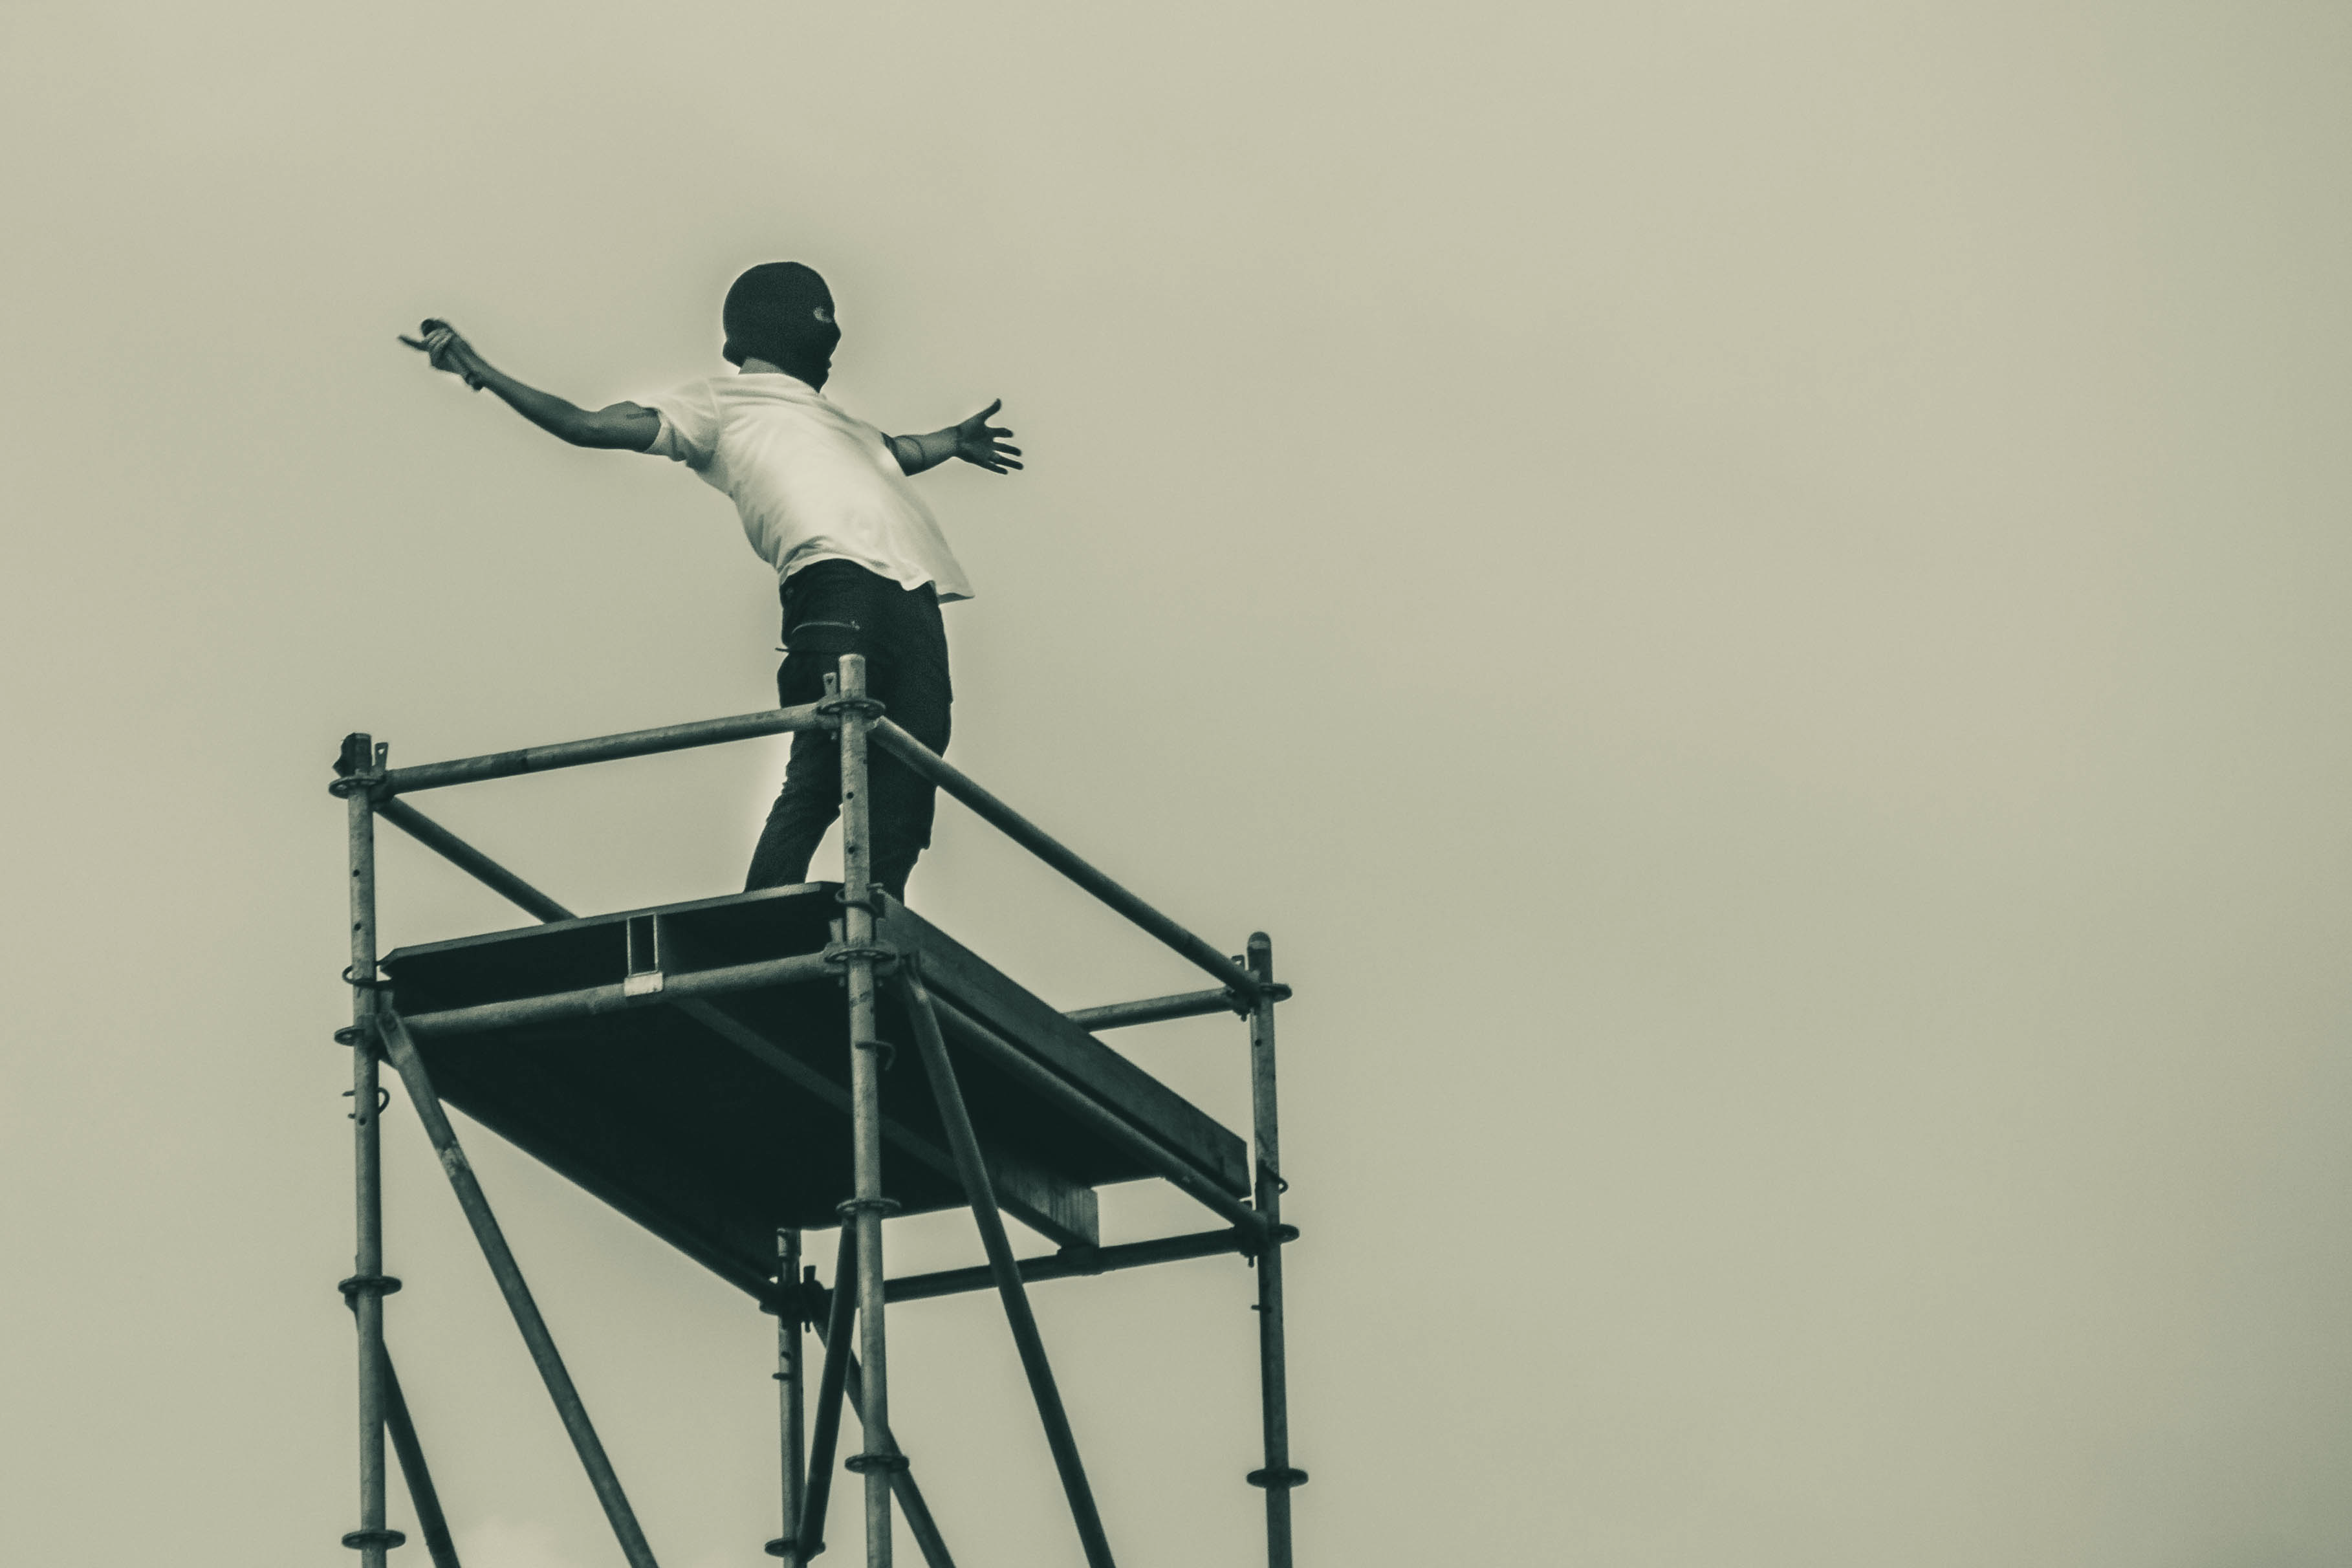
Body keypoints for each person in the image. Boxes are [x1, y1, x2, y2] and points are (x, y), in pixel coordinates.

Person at [401, 261, 1020, 902]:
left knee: (913, 773)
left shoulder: (846, 427)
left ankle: (881, 918)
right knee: (825, 766)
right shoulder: (718, 404)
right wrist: (479, 368)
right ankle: (759, 921)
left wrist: (954, 439)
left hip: (916, 598)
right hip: (835, 584)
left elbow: (900, 452)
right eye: (823, 327)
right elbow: (587, 426)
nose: (833, 348)